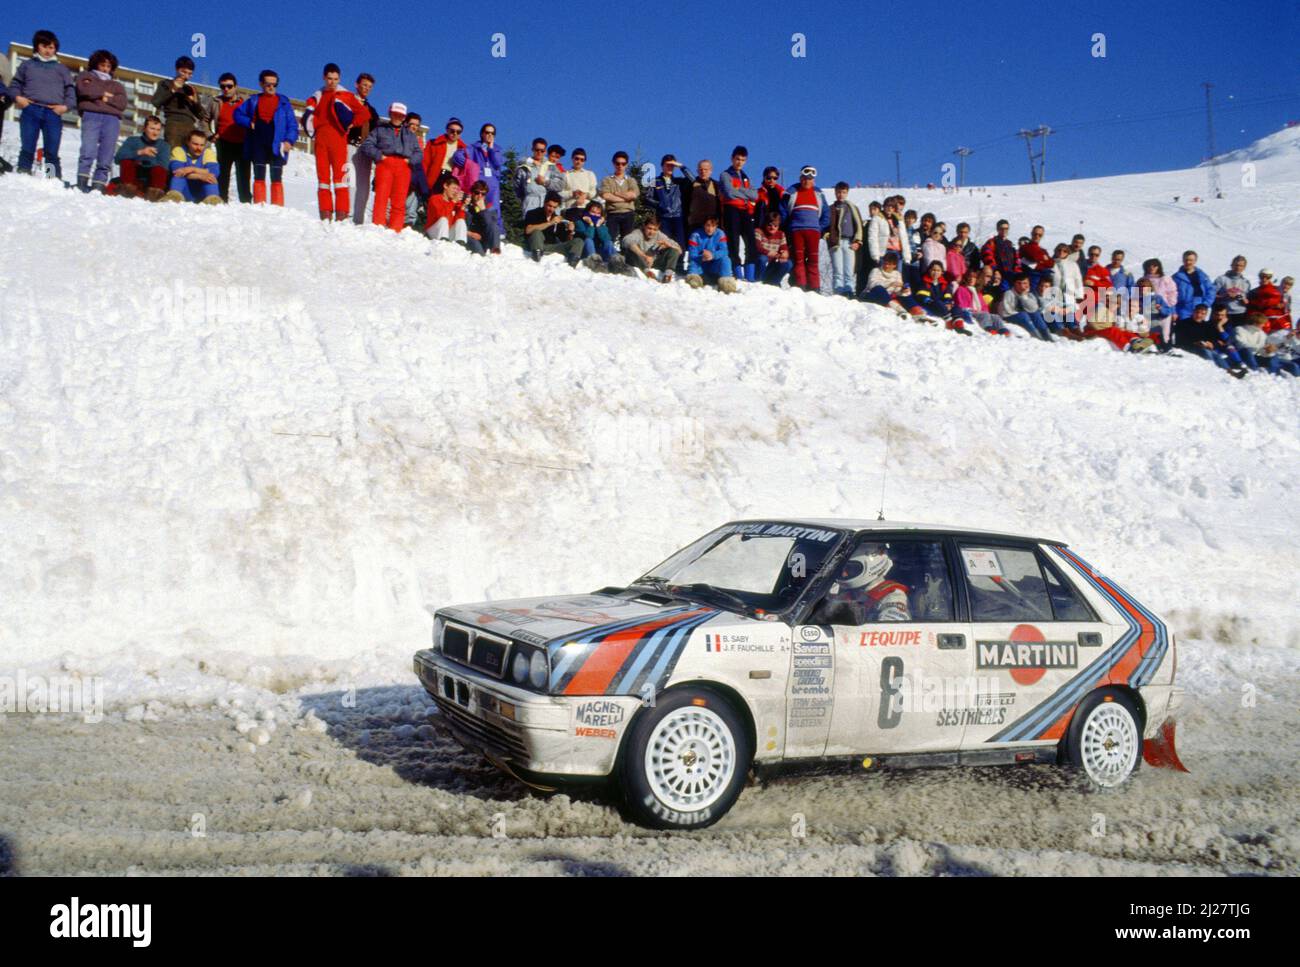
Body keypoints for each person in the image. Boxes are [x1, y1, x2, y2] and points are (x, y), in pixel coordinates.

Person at [302, 63, 366, 221]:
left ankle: (342, 215)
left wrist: (353, 123)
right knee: (323, 179)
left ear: (339, 79)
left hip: (338, 139)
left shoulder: (346, 95)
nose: (332, 82)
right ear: (324, 78)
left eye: (335, 79)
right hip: (321, 139)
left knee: (340, 178)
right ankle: (325, 213)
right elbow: (308, 114)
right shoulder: (316, 96)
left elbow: (364, 113)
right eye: (329, 79)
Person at [9, 30, 76, 178]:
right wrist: (19, 99)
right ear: (37, 46)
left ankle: (52, 179)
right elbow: (15, 85)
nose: (47, 50)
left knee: (51, 151)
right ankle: (23, 176)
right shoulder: (27, 65)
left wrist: (64, 107)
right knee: (27, 147)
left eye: (51, 47)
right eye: (44, 46)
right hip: (30, 110)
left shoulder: (62, 69)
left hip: (52, 114)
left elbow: (71, 92)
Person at [232, 69, 297, 207]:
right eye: (268, 84)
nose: (271, 87)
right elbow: (237, 114)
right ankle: (259, 205)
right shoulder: (253, 101)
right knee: (259, 175)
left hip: (277, 143)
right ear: (261, 84)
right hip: (258, 143)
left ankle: (277, 207)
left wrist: (289, 140)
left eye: (274, 84)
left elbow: (292, 124)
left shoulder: (284, 102)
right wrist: (249, 123)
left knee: (277, 176)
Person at [359, 102, 422, 231]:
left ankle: (395, 228)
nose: (398, 117)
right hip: (385, 164)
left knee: (399, 200)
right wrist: (379, 156)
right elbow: (367, 145)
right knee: (381, 197)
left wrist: (410, 161)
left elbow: (419, 153)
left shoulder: (410, 135)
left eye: (401, 115)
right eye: (395, 114)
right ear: (390, 114)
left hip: (403, 166)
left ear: (404, 117)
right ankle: (378, 225)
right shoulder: (380, 129)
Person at [74, 49, 127, 193]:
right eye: (102, 65)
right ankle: (82, 183)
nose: (105, 69)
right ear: (95, 64)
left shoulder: (117, 85)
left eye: (109, 66)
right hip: (91, 115)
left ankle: (99, 185)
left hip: (112, 119)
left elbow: (122, 103)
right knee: (88, 149)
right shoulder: (86, 76)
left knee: (107, 153)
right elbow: (85, 91)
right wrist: (106, 95)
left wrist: (103, 97)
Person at [821, 542, 910, 623]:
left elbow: (891, 632)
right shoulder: (847, 592)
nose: (844, 574)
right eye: (842, 568)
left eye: (850, 569)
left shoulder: (893, 596)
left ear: (872, 566)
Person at [783, 166, 830, 292]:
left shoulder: (818, 193)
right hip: (796, 230)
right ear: (800, 178)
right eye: (804, 178)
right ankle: (800, 285)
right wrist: (787, 227)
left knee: (813, 261)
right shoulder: (792, 191)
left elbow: (826, 212)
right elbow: (783, 210)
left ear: (813, 180)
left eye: (810, 179)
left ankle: (814, 287)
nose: (807, 181)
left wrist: (820, 228)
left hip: (813, 231)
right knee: (799, 260)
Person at [152, 55, 212, 147]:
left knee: (189, 158)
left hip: (191, 127)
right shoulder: (166, 84)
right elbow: (156, 102)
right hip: (174, 125)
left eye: (189, 74)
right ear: (177, 69)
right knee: (174, 156)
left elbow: (202, 116)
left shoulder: (190, 89)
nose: (186, 76)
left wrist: (195, 102)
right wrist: (173, 89)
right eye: (183, 72)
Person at [453, 123, 505, 231]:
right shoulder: (473, 148)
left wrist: (491, 149)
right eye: (487, 132)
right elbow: (457, 156)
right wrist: (471, 166)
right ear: (482, 134)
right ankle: (473, 229)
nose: (490, 135)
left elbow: (498, 163)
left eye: (492, 133)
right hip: (479, 183)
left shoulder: (497, 149)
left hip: (493, 184)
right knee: (476, 206)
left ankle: (498, 231)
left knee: (494, 208)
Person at [208, 73, 250, 203]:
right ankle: (221, 200)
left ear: (235, 86)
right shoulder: (215, 102)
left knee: (243, 175)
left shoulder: (245, 101)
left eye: (229, 86)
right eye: (223, 86)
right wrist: (209, 134)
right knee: (223, 174)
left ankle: (246, 202)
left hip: (243, 142)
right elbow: (204, 119)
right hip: (224, 142)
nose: (226, 89)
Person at [719, 146, 759, 281]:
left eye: (742, 160)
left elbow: (755, 195)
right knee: (733, 243)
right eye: (737, 159)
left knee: (751, 243)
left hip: (745, 211)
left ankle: (750, 276)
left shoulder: (746, 177)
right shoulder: (726, 174)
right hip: (731, 210)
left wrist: (740, 190)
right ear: (732, 158)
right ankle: (737, 274)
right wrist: (746, 194)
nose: (739, 162)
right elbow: (729, 193)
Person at [1175, 304, 1247, 377]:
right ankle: (1213, 371)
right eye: (1197, 312)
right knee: (1206, 352)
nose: (1199, 315)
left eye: (1202, 314)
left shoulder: (1206, 325)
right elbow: (1179, 340)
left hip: (1203, 347)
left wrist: (1211, 344)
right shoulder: (1183, 323)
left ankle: (1230, 371)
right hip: (1189, 346)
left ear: (1206, 315)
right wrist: (1195, 343)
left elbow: (1213, 339)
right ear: (1193, 312)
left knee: (1215, 354)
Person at [114, 115, 170, 199]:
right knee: (126, 161)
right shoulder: (132, 140)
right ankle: (127, 191)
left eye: (158, 130)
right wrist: (140, 152)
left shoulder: (164, 145)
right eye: (152, 129)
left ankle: (154, 195)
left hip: (151, 180)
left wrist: (145, 161)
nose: (155, 133)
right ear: (144, 128)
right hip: (133, 178)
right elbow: (118, 158)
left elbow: (164, 164)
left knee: (160, 169)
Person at [645, 155, 691, 257]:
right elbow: (647, 198)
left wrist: (681, 166)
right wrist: (660, 204)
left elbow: (693, 179)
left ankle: (679, 266)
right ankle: (664, 264)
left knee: (680, 243)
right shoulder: (655, 181)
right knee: (664, 241)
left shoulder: (679, 181)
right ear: (662, 166)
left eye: (672, 165)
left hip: (678, 216)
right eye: (668, 165)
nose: (670, 167)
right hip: (663, 217)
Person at [347, 73, 378, 224]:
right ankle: (347, 214)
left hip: (365, 150)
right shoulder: (347, 102)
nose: (366, 89)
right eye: (364, 85)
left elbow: (376, 131)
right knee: (349, 180)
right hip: (349, 145)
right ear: (357, 85)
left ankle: (358, 219)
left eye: (369, 87)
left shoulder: (371, 111)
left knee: (363, 185)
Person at [825, 182, 863, 297]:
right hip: (835, 242)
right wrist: (827, 236)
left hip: (849, 242)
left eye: (843, 192)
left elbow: (858, 225)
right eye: (839, 192)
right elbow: (826, 224)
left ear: (847, 193)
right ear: (835, 192)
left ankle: (849, 290)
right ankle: (838, 291)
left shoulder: (852, 208)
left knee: (849, 270)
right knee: (838, 270)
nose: (841, 195)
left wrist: (857, 241)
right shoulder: (830, 208)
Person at [523, 191, 583, 265]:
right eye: (549, 206)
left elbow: (565, 240)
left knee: (578, 241)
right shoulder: (533, 213)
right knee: (537, 232)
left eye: (554, 207)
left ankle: (571, 265)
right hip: (536, 245)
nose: (551, 209)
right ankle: (536, 260)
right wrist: (550, 223)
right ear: (544, 203)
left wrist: (570, 231)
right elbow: (528, 230)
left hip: (551, 247)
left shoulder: (557, 218)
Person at [164, 129, 220, 204]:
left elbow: (214, 171)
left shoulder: (208, 153)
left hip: (202, 191)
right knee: (178, 177)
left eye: (202, 145)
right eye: (195, 144)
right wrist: (201, 176)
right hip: (183, 189)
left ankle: (213, 202)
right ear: (188, 142)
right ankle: (174, 198)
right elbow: (177, 170)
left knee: (210, 179)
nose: (198, 148)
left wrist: (191, 169)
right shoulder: (179, 151)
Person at [621, 215, 683, 282]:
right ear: (644, 226)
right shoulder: (638, 233)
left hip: (654, 262)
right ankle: (648, 273)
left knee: (673, 251)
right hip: (639, 261)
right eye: (649, 228)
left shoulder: (659, 235)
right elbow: (626, 240)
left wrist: (668, 245)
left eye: (655, 229)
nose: (651, 232)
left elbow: (679, 250)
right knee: (632, 250)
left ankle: (668, 275)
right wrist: (644, 256)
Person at [685, 214, 737, 292]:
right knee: (693, 262)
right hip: (700, 267)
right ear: (704, 225)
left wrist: (712, 255)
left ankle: (727, 284)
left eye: (713, 226)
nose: (710, 229)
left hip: (714, 267)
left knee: (726, 260)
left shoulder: (720, 234)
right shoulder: (695, 235)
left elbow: (724, 251)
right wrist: (702, 256)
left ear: (716, 226)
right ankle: (694, 280)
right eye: (708, 225)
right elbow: (692, 255)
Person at [422, 116, 466, 207]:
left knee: (447, 205)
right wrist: (423, 182)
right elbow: (425, 163)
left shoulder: (463, 149)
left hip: (451, 177)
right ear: (447, 130)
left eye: (458, 132)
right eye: (452, 131)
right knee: (433, 204)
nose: (455, 133)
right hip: (436, 176)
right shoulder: (434, 143)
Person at [862, 252, 924, 317]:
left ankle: (916, 311)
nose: (886, 266)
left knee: (905, 296)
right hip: (869, 295)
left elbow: (897, 291)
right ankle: (898, 308)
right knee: (879, 288)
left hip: (887, 299)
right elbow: (872, 284)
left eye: (889, 264)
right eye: (885, 263)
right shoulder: (876, 270)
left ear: (894, 265)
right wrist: (890, 284)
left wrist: (903, 290)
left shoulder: (897, 274)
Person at [916, 261, 971, 333]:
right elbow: (922, 295)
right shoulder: (924, 281)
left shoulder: (943, 283)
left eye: (938, 270)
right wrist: (929, 301)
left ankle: (959, 326)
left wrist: (948, 302)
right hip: (931, 303)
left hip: (942, 304)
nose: (935, 272)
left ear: (942, 272)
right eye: (933, 270)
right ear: (929, 270)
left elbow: (948, 294)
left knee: (956, 308)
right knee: (938, 303)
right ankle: (949, 323)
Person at [599, 151, 640, 245]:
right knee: (610, 239)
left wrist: (616, 193)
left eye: (623, 163)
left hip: (628, 214)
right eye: (618, 163)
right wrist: (626, 199)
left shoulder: (631, 180)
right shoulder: (607, 180)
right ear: (613, 164)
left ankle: (626, 259)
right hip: (612, 213)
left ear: (626, 165)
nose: (620, 166)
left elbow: (634, 195)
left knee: (627, 241)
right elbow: (606, 195)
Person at [998, 274, 1055, 340]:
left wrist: (1023, 296)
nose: (1022, 286)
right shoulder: (1009, 293)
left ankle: (1047, 336)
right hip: (1008, 317)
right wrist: (1023, 312)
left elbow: (1034, 308)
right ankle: (1036, 337)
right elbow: (1008, 311)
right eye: (1019, 283)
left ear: (1028, 284)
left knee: (1035, 314)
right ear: (1014, 284)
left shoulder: (1029, 295)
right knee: (1023, 315)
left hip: (1023, 316)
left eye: (1025, 283)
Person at [955, 270, 1009, 335]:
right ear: (966, 278)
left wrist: (985, 312)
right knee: (984, 315)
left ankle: (1002, 329)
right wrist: (973, 310)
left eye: (974, 278)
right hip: (970, 312)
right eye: (969, 277)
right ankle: (988, 328)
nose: (971, 279)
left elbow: (984, 306)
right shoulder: (961, 289)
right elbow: (961, 304)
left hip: (979, 312)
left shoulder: (977, 292)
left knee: (995, 316)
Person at [1172, 250, 1216, 319]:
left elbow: (1211, 290)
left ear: (1195, 261)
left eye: (1191, 260)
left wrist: (1206, 304)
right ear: (1183, 260)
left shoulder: (1202, 276)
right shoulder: (1176, 277)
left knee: (1199, 329)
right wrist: (1174, 311)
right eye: (1186, 260)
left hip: (1200, 309)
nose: (1188, 262)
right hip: (1183, 310)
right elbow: (1171, 296)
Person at [573, 199, 618, 267]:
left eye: (598, 213)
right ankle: (594, 262)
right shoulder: (580, 223)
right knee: (589, 241)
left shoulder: (602, 226)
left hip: (599, 252)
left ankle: (616, 262)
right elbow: (588, 236)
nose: (596, 215)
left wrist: (598, 225)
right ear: (587, 212)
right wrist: (591, 224)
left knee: (609, 242)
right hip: (585, 253)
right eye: (593, 212)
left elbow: (605, 239)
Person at [514, 138, 551, 219]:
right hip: (530, 202)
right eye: (537, 150)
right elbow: (517, 187)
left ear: (545, 151)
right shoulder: (524, 166)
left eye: (542, 151)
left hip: (545, 203)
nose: (539, 152)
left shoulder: (550, 166)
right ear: (532, 149)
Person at [753, 210, 792, 286]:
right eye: (769, 225)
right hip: (760, 264)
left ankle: (774, 283)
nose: (772, 227)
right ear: (765, 224)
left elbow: (784, 247)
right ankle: (759, 282)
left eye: (775, 225)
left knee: (788, 263)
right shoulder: (758, 231)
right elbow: (757, 247)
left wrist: (784, 253)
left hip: (772, 263)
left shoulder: (781, 234)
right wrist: (769, 253)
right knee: (762, 258)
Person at [426, 172, 468, 242]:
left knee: (461, 221)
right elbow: (441, 215)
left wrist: (463, 206)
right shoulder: (435, 198)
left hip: (447, 232)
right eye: (453, 188)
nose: (455, 192)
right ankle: (443, 243)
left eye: (457, 189)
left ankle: (460, 243)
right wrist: (453, 202)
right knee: (443, 220)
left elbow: (459, 219)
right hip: (433, 230)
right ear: (445, 186)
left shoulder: (454, 202)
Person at [1247, 269, 1290, 333]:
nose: (1264, 279)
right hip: (1261, 320)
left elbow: (1285, 307)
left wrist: (1281, 305)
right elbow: (1250, 306)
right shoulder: (1254, 292)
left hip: (1275, 320)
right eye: (1262, 277)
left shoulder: (1277, 290)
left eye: (1268, 277)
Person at [464, 180, 501, 255]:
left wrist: (483, 210)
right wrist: (470, 234)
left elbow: (492, 226)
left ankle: (495, 250)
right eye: (477, 192)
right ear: (472, 193)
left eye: (483, 194)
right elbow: (459, 223)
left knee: (494, 226)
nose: (480, 196)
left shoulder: (489, 207)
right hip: (470, 236)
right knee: (479, 253)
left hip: (484, 237)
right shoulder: (466, 205)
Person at [1214, 255, 1252, 325]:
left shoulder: (1246, 282)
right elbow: (1211, 295)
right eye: (1236, 265)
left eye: (1241, 266)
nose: (1238, 268)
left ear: (1244, 267)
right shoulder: (1221, 279)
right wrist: (1224, 296)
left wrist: (1242, 298)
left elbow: (1248, 301)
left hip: (1240, 313)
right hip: (1223, 313)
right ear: (1231, 265)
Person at [686, 159, 721, 231]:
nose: (703, 172)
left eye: (706, 169)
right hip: (695, 224)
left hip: (712, 225)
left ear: (711, 171)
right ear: (697, 171)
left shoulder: (717, 185)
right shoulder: (691, 184)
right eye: (700, 169)